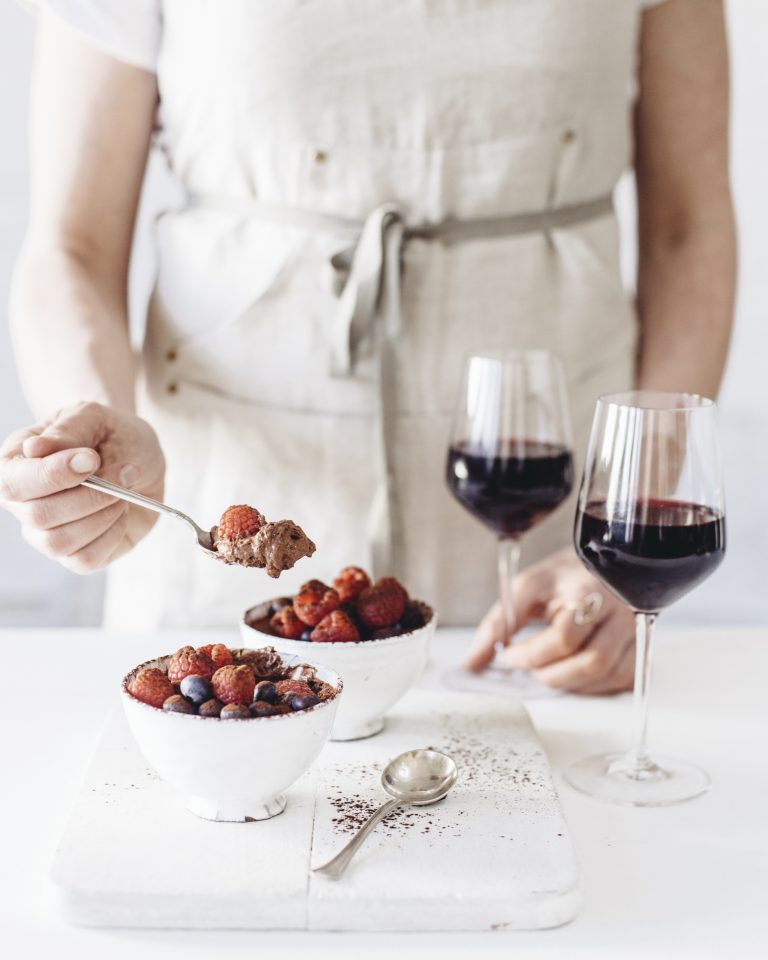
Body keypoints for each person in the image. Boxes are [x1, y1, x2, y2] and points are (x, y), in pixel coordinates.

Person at [0, 0, 735, 694]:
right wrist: (97, 427)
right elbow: (73, 246)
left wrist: (632, 529)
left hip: (548, 543)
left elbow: (688, 229)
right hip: (216, 506)